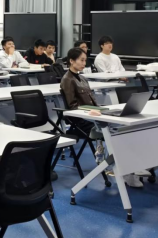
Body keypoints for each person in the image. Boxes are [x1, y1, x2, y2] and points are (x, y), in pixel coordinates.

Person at [61, 47, 144, 188]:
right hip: (82, 120)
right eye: (81, 60)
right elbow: (72, 106)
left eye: (85, 61)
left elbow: (92, 102)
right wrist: (89, 111)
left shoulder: (82, 78)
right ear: (71, 61)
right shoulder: (67, 80)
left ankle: (131, 167)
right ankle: (126, 172)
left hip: (94, 115)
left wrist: (102, 110)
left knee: (125, 129)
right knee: (116, 133)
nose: (84, 63)